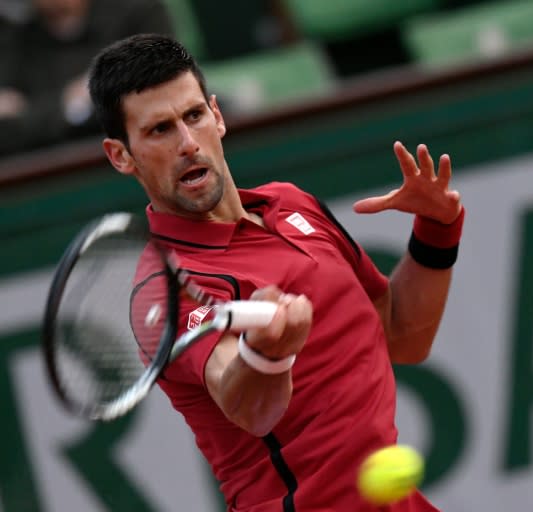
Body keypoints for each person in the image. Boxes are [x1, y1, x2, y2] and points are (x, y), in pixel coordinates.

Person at [88, 33, 465, 511]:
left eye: (194, 116)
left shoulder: (291, 202)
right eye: (159, 130)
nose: (187, 143)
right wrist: (267, 353)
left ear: (217, 115)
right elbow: (245, 404)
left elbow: (402, 336)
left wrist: (437, 231)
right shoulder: (164, 287)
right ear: (121, 155)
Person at [0, 0, 174, 157]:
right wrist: (72, 105)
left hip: (147, 154)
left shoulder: (139, 13)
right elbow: (8, 131)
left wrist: (37, 112)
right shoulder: (16, 44)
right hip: (61, 172)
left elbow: (158, 92)